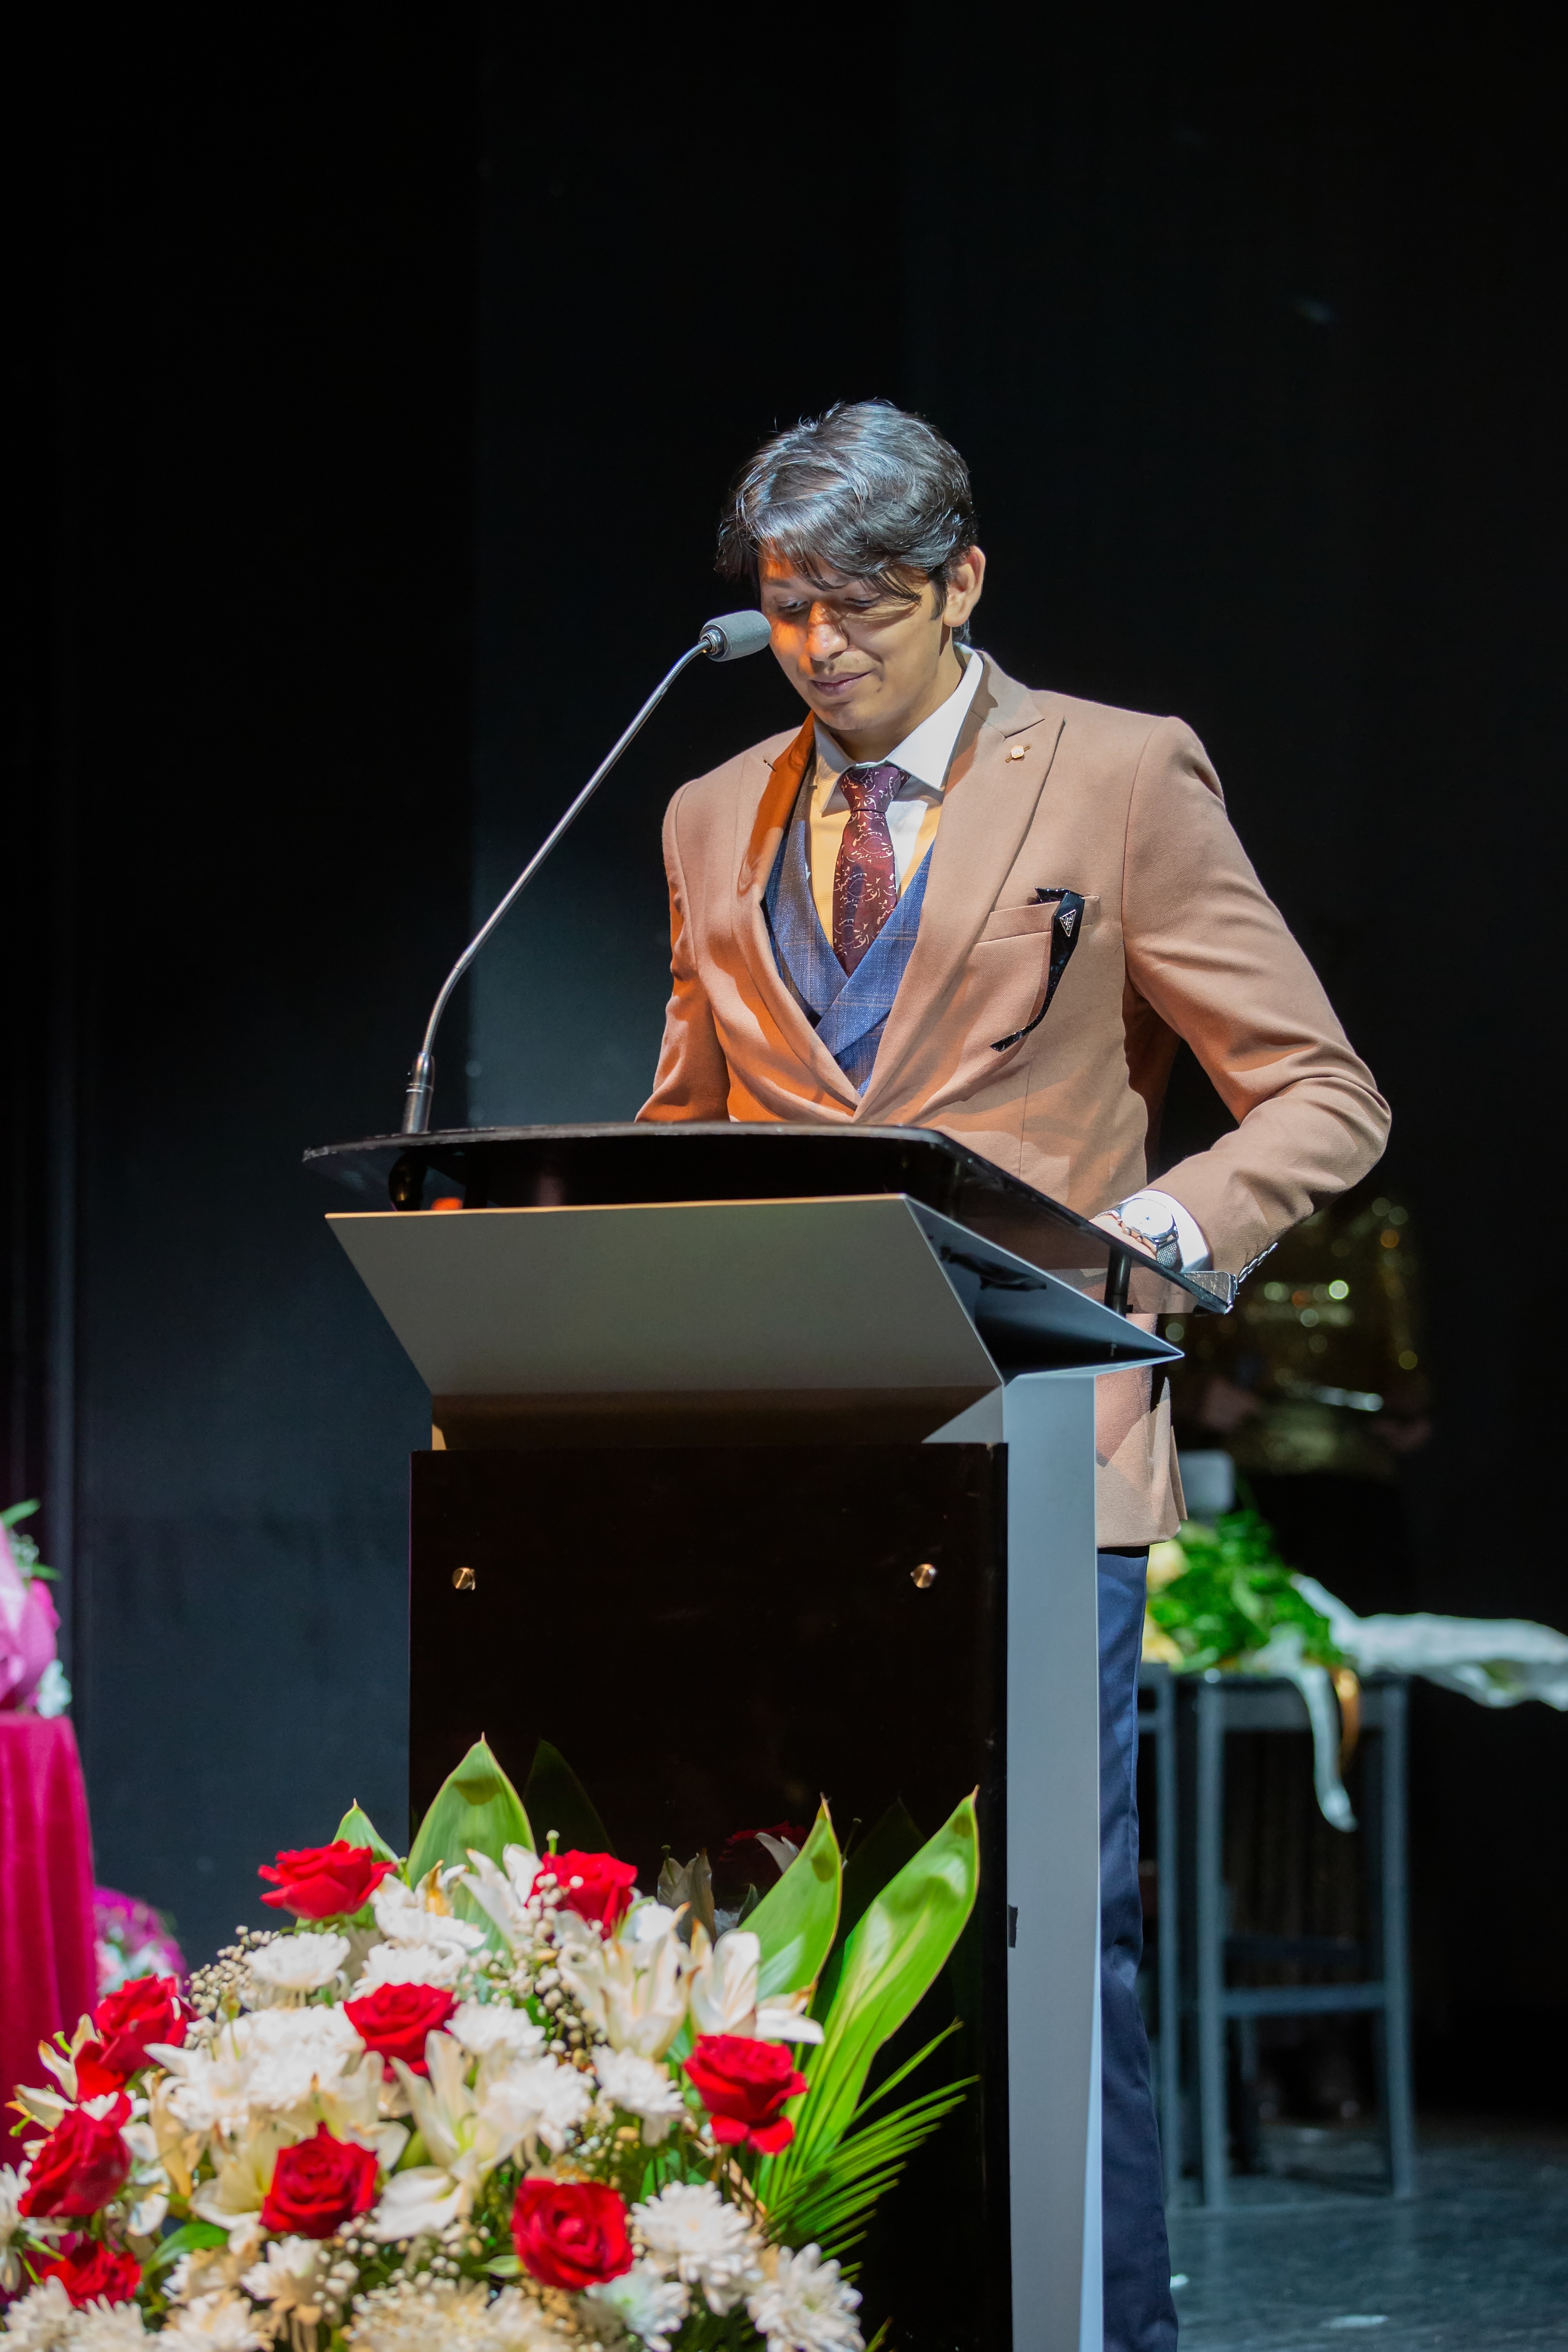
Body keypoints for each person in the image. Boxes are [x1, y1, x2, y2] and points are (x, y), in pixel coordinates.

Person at [638, 399, 1388, 2351]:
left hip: (1044, 1448)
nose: (820, 648)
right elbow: (686, 1127)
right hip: (789, 1464)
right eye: (787, 609)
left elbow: (1323, 1094)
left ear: (964, 582)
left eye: (864, 606)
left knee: (1051, 1944)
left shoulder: (1122, 776)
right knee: (775, 1932)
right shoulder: (709, 816)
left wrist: (1167, 1232)